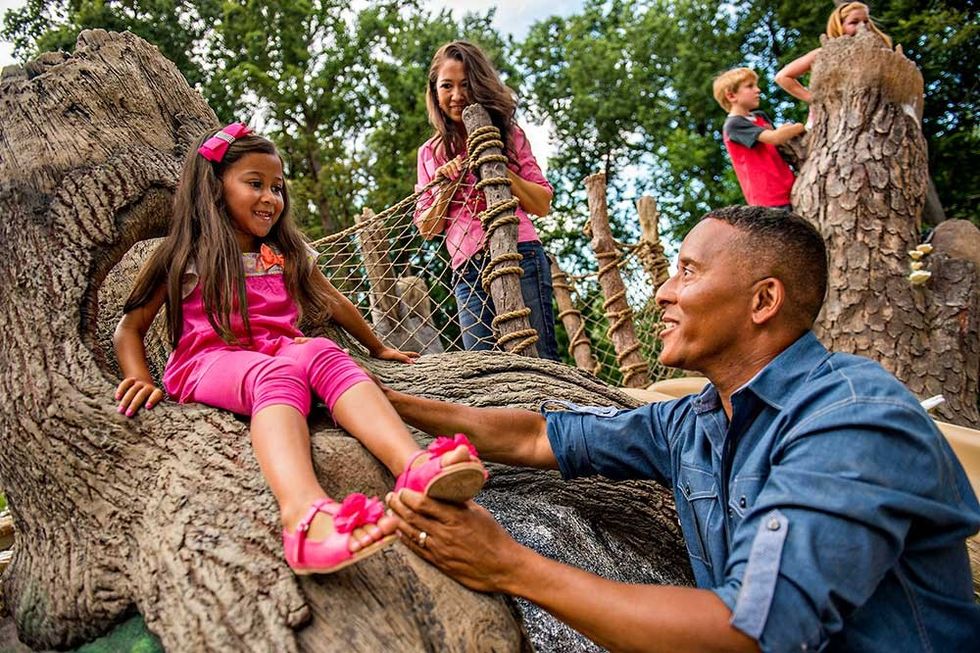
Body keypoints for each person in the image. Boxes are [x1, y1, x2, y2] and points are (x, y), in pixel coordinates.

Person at [385, 205, 980, 651]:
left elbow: (753, 631)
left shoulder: (853, 418)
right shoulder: (690, 420)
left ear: (762, 300)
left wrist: (510, 566)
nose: (662, 294)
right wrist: (383, 399)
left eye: (687, 272)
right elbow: (534, 436)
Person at [113, 123, 487, 575]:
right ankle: (305, 518)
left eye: (277, 187)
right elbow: (129, 328)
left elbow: (333, 302)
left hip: (277, 348)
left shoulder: (285, 253)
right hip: (208, 361)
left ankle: (413, 466)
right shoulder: (185, 254)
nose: (271, 198)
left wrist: (378, 347)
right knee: (278, 375)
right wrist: (139, 378)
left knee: (325, 353)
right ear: (214, 187)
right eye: (255, 184)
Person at [414, 40, 560, 360]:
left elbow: (542, 203)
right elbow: (427, 227)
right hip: (468, 269)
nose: (456, 95)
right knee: (487, 369)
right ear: (434, 92)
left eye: (465, 84)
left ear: (479, 84)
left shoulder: (508, 133)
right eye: (446, 86)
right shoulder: (430, 153)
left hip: (521, 252)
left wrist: (498, 168)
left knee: (542, 360)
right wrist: (447, 185)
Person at [713, 68, 805, 211]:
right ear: (731, 96)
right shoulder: (734, 124)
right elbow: (776, 137)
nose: (758, 90)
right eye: (750, 86)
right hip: (769, 199)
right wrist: (800, 127)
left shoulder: (760, 117)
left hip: (790, 187)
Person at [775, 2, 892, 105]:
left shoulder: (880, 54)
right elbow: (783, 76)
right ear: (839, 26)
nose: (862, 26)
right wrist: (813, 99)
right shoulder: (824, 54)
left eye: (866, 21)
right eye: (854, 22)